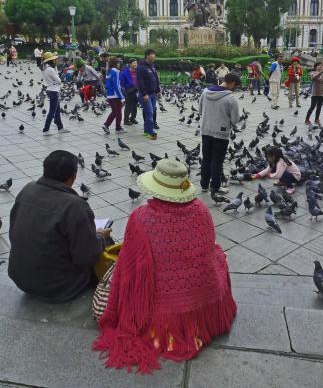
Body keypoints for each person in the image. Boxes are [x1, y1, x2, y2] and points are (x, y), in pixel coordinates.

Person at [93, 159, 236, 374]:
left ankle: (169, 332)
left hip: (164, 313)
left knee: (123, 267)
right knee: (217, 254)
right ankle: (196, 325)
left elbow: (130, 268)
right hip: (205, 299)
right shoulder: (202, 210)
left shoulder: (140, 218)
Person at [8, 150, 111, 303]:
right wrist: (101, 237)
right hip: (58, 287)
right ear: (73, 177)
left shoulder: (27, 189)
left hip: (19, 277)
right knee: (106, 244)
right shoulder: (75, 206)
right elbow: (86, 257)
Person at [199, 72, 241, 194]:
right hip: (221, 134)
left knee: (206, 158)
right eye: (236, 86)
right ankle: (215, 187)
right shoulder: (231, 98)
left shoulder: (205, 92)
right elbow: (235, 120)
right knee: (217, 161)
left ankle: (204, 185)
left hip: (206, 130)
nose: (235, 89)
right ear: (232, 83)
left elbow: (200, 110)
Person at [41, 52, 69, 135]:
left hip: (50, 90)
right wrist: (56, 71)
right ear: (51, 60)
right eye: (54, 60)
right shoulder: (50, 69)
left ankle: (60, 128)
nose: (55, 61)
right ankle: (46, 129)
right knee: (52, 111)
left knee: (57, 111)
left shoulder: (45, 68)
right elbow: (59, 81)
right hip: (54, 91)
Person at [136, 49, 160, 140]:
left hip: (153, 94)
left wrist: (158, 91)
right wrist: (144, 94)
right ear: (147, 56)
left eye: (154, 55)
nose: (154, 57)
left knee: (151, 112)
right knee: (149, 112)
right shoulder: (141, 67)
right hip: (145, 95)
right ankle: (151, 132)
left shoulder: (152, 66)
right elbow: (140, 82)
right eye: (152, 55)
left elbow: (156, 78)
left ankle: (146, 131)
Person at [102, 56, 125, 134]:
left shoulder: (109, 71)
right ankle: (114, 127)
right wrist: (122, 98)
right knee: (117, 112)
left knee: (115, 111)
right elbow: (116, 86)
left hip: (109, 95)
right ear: (117, 64)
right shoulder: (115, 72)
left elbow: (107, 84)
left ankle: (113, 126)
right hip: (115, 96)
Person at [120, 59, 139, 125]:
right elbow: (122, 83)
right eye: (134, 63)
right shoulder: (125, 72)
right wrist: (125, 90)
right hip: (128, 91)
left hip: (136, 90)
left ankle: (133, 118)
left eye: (136, 63)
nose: (135, 64)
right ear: (130, 64)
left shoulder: (137, 71)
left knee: (135, 106)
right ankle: (126, 120)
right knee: (128, 106)